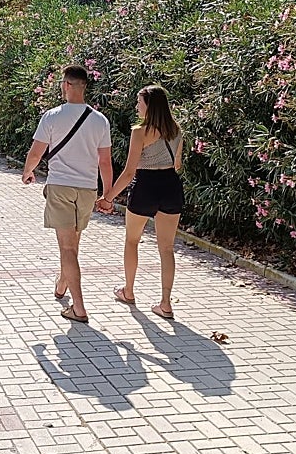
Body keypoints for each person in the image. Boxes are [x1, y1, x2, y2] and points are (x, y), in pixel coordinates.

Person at [22, 65, 113, 324]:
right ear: (84, 86)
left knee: (67, 246)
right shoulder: (99, 120)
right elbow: (105, 162)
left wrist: (28, 172)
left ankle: (79, 307)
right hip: (87, 189)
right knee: (73, 245)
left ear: (66, 85)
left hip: (60, 186)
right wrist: (107, 195)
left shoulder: (52, 116)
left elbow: (37, 152)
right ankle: (62, 283)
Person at [97, 85, 184, 320]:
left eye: (139, 102)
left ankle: (129, 291)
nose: (137, 106)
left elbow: (128, 172)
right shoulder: (177, 130)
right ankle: (165, 303)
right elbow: (178, 165)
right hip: (171, 187)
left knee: (132, 241)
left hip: (145, 186)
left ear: (150, 105)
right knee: (166, 248)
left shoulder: (139, 132)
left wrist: (108, 198)